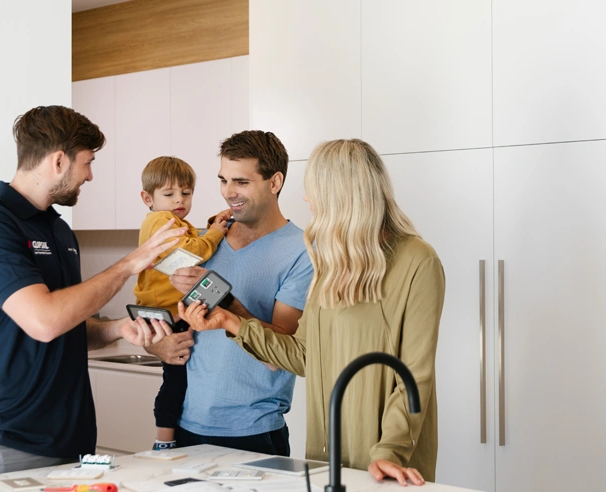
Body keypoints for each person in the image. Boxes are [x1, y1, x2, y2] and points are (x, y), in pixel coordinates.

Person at [179, 138, 446, 487]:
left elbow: (414, 376)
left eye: (313, 190)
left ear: (340, 192)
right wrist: (230, 321)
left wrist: (389, 452)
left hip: (388, 461)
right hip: (326, 451)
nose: (307, 199)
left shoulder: (417, 261)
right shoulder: (328, 262)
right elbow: (305, 355)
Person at [0, 106, 184, 478]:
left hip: (73, 438)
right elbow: (44, 321)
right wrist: (129, 263)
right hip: (11, 439)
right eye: (87, 163)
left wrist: (115, 330)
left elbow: (67, 322)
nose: (90, 176)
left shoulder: (60, 232)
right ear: (59, 160)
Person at [146, 130, 314, 456]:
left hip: (255, 432)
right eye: (223, 180)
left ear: (275, 182)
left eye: (241, 182)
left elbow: (284, 352)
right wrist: (158, 345)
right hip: (183, 426)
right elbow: (165, 320)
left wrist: (224, 300)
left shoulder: (302, 251)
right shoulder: (203, 238)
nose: (228, 193)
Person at [132, 156, 231, 451]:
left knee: (178, 380)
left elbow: (192, 239)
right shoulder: (160, 221)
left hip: (165, 311)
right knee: (175, 383)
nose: (179, 200)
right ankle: (164, 442)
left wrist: (211, 226)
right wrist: (215, 233)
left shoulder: (174, 222)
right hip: (163, 314)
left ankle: (167, 437)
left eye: (186, 193)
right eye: (169, 193)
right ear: (148, 198)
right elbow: (192, 252)